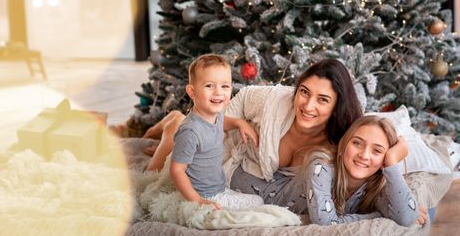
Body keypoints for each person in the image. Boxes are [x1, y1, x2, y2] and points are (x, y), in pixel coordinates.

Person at [144, 58, 363, 178]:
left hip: (245, 154)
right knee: (157, 176)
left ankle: (176, 121)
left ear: (337, 105)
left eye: (322, 100)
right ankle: (174, 124)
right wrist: (236, 122)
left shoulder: (342, 138)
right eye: (304, 92)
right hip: (235, 130)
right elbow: (246, 95)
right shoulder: (275, 101)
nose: (308, 105)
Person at [231, 115, 428, 226]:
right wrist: (379, 215)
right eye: (357, 143)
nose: (365, 155)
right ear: (343, 146)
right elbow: (325, 223)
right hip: (249, 183)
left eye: (377, 151)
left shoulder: (378, 181)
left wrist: (392, 164)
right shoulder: (321, 165)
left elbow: (406, 217)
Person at [169, 54, 264, 210]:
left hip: (219, 188)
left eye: (224, 86)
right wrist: (198, 201)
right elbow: (177, 170)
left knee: (256, 199)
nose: (218, 92)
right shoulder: (190, 131)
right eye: (209, 86)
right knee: (259, 202)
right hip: (205, 195)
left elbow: (221, 123)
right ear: (192, 92)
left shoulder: (216, 115)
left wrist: (238, 122)